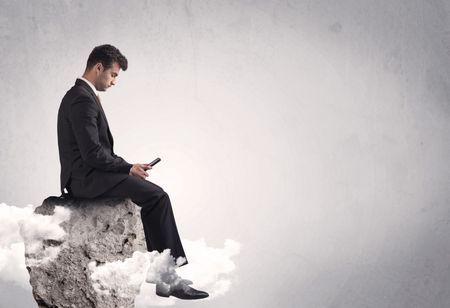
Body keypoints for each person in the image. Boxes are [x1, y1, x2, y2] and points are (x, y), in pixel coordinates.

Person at [57, 44, 208, 300]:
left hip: (89, 175)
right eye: (113, 75)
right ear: (98, 67)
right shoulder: (82, 98)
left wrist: (130, 167)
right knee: (157, 197)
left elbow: (95, 151)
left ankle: (165, 277)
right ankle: (167, 279)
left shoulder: (79, 95)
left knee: (153, 195)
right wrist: (127, 168)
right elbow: (92, 153)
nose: (115, 81)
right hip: (86, 180)